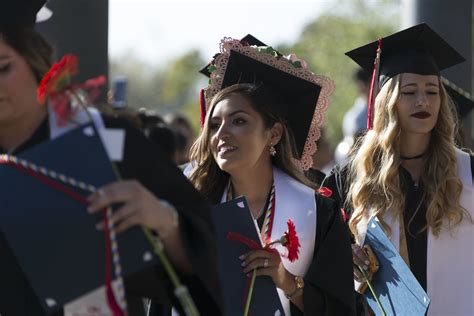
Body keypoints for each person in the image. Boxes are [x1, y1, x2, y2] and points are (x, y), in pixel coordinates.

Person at [0, 1, 222, 315]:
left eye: (3, 67)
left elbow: (205, 270)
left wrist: (165, 221)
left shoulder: (108, 143)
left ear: (34, 60)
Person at [189, 38, 355, 315]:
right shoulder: (195, 209)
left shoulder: (317, 213)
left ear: (274, 133)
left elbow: (341, 309)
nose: (221, 134)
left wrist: (287, 281)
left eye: (239, 121)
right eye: (215, 125)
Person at [324, 23, 473, 316]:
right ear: (388, 101)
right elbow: (323, 253)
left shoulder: (468, 171)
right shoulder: (353, 177)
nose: (423, 100)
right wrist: (345, 255)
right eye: (409, 92)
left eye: (432, 91)